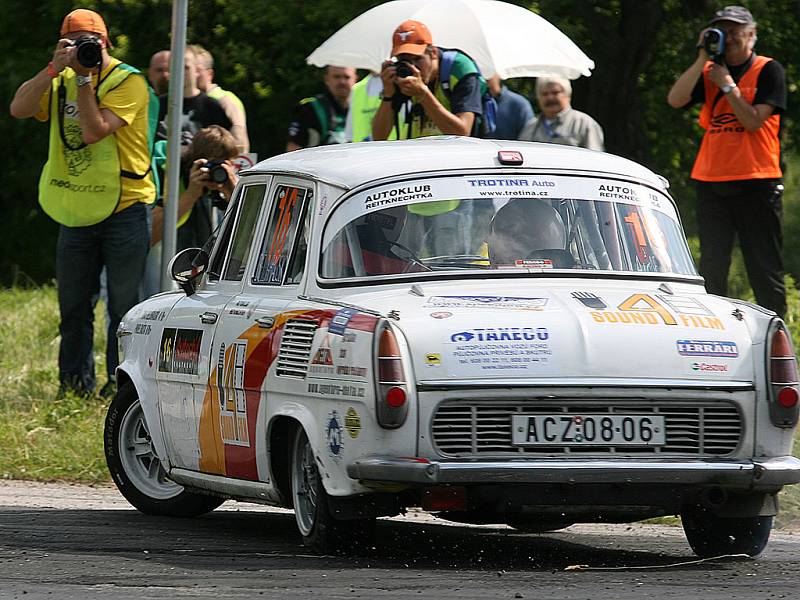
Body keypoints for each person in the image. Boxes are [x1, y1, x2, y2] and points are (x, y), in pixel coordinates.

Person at [9, 8, 156, 397]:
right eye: (74, 43)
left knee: (123, 309)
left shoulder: (129, 82)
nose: (85, 50)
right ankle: (74, 386)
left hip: (126, 207)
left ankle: (122, 387)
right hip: (77, 207)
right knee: (73, 306)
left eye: (90, 43)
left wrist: (85, 80)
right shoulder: (59, 80)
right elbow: (18, 108)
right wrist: (51, 71)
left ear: (105, 42)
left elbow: (93, 132)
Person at [667, 5, 786, 317]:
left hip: (757, 181)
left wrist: (728, 86)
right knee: (712, 267)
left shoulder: (768, 69)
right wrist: (701, 59)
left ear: (751, 34)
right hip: (711, 180)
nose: (729, 37)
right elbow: (675, 99)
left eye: (735, 30)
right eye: (722, 30)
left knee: (763, 267)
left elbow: (753, 122)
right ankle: (715, 334)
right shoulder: (708, 71)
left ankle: (777, 344)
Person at [372, 20, 483, 140]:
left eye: (417, 59)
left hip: (457, 155)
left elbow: (462, 133)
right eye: (405, 60)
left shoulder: (460, 69)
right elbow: (379, 136)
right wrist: (388, 94)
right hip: (421, 153)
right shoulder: (401, 74)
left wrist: (423, 94)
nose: (412, 67)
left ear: (433, 53)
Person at [150, 125, 239, 248]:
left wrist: (233, 193)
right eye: (211, 166)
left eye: (222, 166)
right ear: (196, 161)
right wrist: (191, 194)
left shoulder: (223, 184)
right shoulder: (166, 170)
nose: (215, 173)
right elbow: (149, 237)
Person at [156, 46, 231, 144]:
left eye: (186, 67)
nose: (180, 72)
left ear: (196, 71)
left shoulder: (211, 106)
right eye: (175, 67)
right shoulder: (158, 104)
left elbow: (224, 145)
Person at [518, 76, 604, 151]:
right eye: (545, 94)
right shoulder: (530, 127)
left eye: (555, 93)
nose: (550, 98)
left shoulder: (584, 124)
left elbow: (595, 161)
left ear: (568, 95)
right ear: (538, 98)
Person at [191, 44, 250, 153]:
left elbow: (241, 142)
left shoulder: (225, 99)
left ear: (210, 73)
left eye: (197, 69)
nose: (192, 74)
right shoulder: (187, 101)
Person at [287, 65, 356, 151]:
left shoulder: (365, 107)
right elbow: (293, 148)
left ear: (355, 79)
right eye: (336, 77)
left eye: (347, 77)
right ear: (327, 79)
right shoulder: (310, 108)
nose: (342, 81)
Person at [486, 75, 534, 140]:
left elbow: (528, 138)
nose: (484, 76)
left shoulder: (519, 104)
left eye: (488, 72)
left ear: (498, 74)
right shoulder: (473, 105)